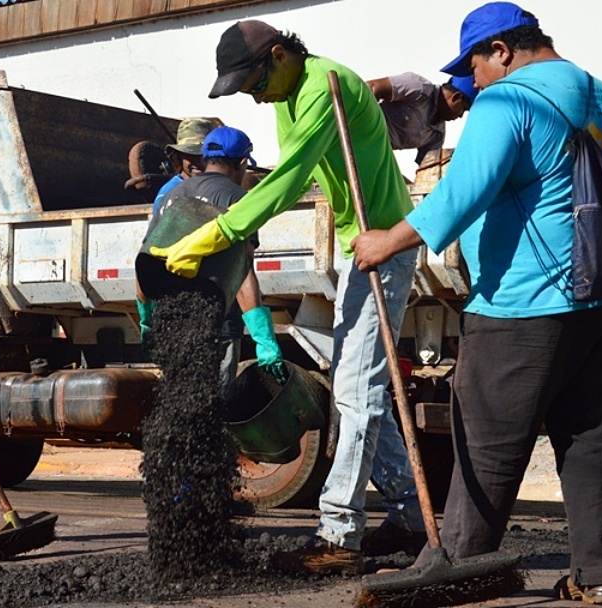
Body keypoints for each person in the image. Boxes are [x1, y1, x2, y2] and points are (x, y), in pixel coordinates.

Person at [351, 3, 602, 604]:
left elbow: (463, 191)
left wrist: (386, 241)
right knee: (589, 436)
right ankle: (600, 575)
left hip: (527, 301)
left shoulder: (507, 100)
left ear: (502, 51)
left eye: (475, 65)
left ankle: (457, 565)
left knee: (486, 439)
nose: (472, 81)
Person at [150, 20, 426, 573]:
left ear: (280, 55)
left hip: (384, 245)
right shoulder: (286, 95)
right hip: (358, 246)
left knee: (355, 391)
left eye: (254, 83)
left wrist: (218, 234)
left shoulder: (326, 86)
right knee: (358, 385)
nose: (255, 97)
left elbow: (289, 176)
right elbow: (295, 179)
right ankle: (408, 517)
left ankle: (340, 534)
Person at [140, 126, 287, 388]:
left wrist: (147, 319)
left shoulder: (172, 195)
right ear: (242, 162)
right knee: (212, 403)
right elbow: (242, 274)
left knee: (177, 399)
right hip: (217, 327)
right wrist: (264, 340)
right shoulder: (239, 200)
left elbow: (146, 261)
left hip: (172, 326)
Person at [367, 72, 478, 164]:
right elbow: (371, 87)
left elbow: (427, 171)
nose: (460, 116)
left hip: (371, 154)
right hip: (360, 130)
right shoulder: (418, 87)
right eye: (463, 109)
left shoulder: (437, 135)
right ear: (456, 97)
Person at [151, 117, 221, 213]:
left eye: (203, 154)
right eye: (190, 154)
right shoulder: (169, 193)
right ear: (179, 156)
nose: (198, 161)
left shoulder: (217, 188)